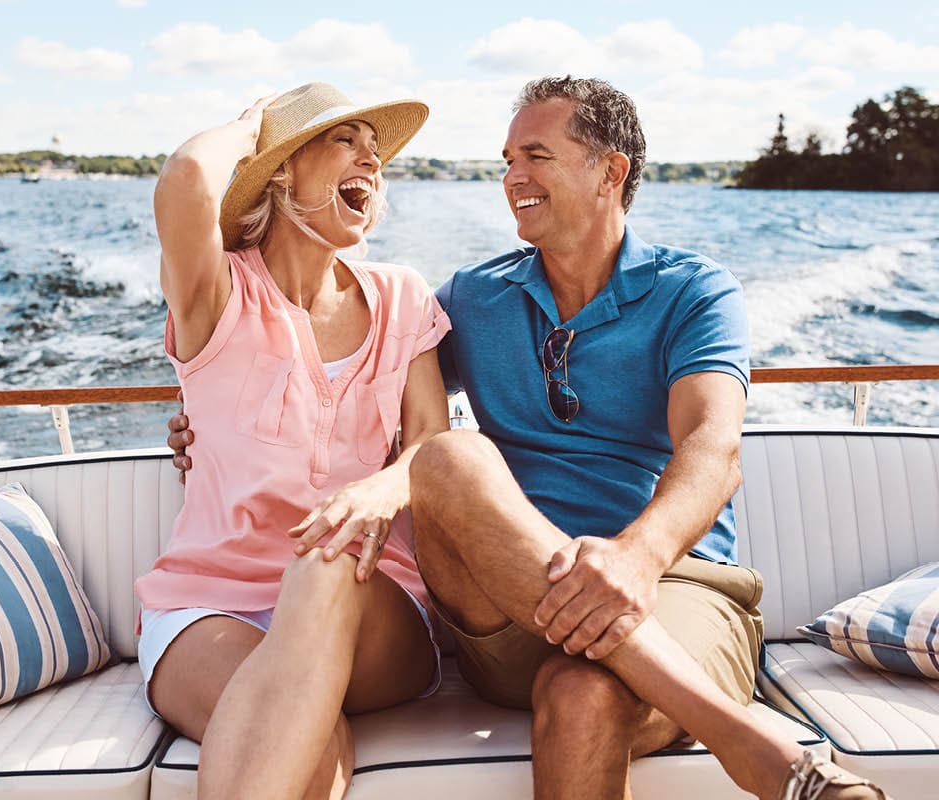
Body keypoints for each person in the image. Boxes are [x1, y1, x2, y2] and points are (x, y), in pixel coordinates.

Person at [169, 78, 891, 800]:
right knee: (453, 454)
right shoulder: (472, 299)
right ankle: (750, 742)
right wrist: (204, 421)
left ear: (611, 170)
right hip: (507, 609)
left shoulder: (695, 292)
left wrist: (636, 558)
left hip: (670, 584)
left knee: (584, 696)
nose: (513, 177)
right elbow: (355, 385)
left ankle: (732, 729)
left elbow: (713, 446)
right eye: (507, 159)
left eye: (536, 155)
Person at [136, 82, 451, 800]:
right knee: (309, 746)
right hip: (210, 602)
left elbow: (431, 440)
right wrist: (255, 128)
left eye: (378, 153)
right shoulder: (217, 295)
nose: (371, 161)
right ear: (281, 170)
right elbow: (186, 180)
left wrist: (381, 486)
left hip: (373, 598)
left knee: (328, 566)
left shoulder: (404, 296)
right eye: (346, 141)